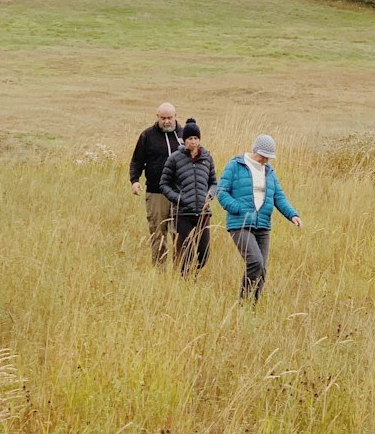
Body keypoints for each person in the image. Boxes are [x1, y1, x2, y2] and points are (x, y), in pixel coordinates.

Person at [216, 133, 302, 300]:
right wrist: (238, 208)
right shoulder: (235, 165)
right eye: (264, 156)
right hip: (240, 223)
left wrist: (292, 215)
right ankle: (243, 301)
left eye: (269, 157)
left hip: (263, 225)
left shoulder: (269, 172)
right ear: (256, 151)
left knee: (261, 269)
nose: (266, 160)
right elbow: (222, 192)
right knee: (255, 261)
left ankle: (252, 305)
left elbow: (279, 197)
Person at [160, 119, 217, 275]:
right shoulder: (174, 159)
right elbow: (164, 184)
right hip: (182, 213)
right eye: (190, 139)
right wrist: (178, 198)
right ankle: (186, 280)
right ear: (184, 140)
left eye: (196, 138)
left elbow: (213, 182)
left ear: (200, 139)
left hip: (203, 213)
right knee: (186, 252)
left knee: (203, 254)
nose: (193, 142)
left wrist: (210, 194)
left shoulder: (207, 158)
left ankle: (194, 274)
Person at [129, 102, 183, 265]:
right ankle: (159, 272)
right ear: (157, 117)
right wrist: (135, 181)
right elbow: (137, 160)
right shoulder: (147, 136)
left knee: (180, 233)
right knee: (158, 232)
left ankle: (180, 271)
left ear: (176, 116)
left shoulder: (184, 135)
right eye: (163, 118)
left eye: (169, 118)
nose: (166, 121)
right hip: (156, 192)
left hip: (180, 193)